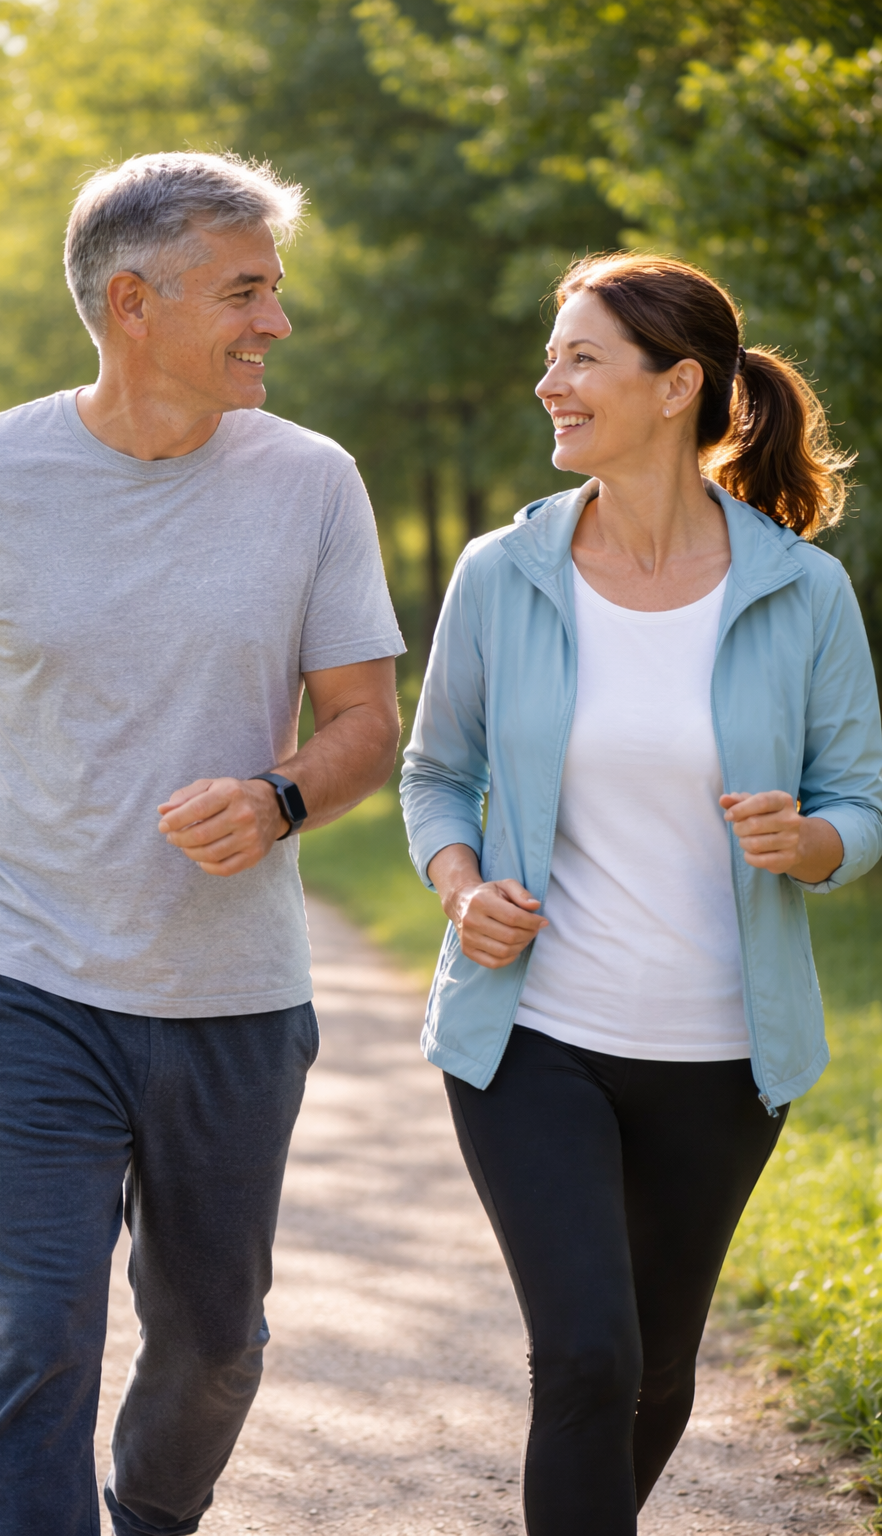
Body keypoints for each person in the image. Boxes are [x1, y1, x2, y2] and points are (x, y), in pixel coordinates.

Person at [0, 151, 404, 1536]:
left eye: (273, 290)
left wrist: (281, 797)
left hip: (234, 995)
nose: (276, 320)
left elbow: (363, 720)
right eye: (247, 291)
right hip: (25, 979)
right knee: (30, 1341)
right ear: (132, 301)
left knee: (217, 1346)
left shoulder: (313, 482)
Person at [400, 252, 882, 1535]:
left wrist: (811, 844)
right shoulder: (506, 574)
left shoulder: (800, 590)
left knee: (657, 1370)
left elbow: (862, 801)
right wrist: (459, 888)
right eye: (553, 354)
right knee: (589, 1360)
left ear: (676, 387)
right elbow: (434, 771)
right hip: (531, 1034)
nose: (547, 381)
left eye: (579, 358)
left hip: (723, 1054)